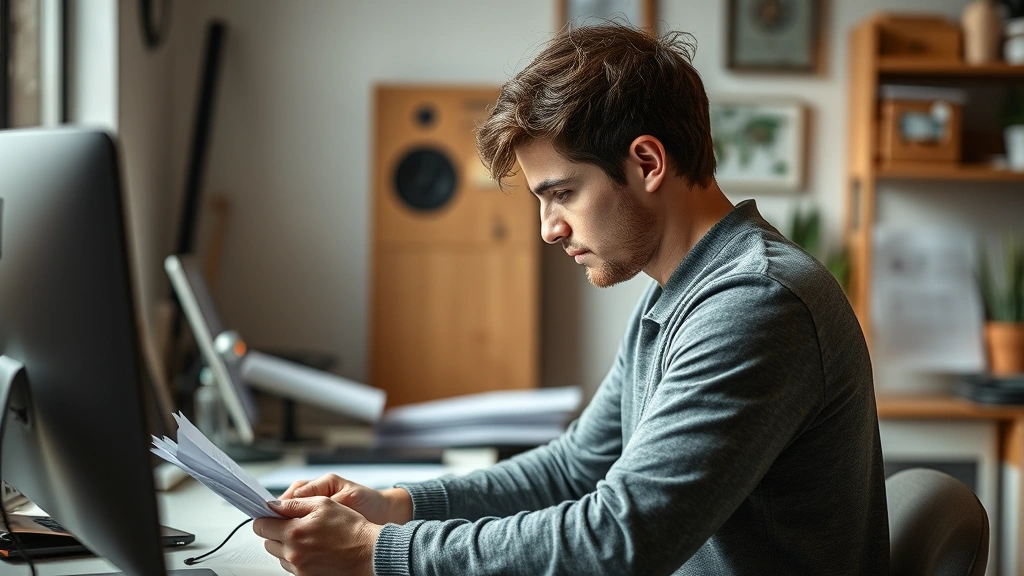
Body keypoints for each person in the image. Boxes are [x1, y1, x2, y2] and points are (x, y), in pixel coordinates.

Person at [253, 22, 889, 575]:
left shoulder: (754, 302)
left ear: (646, 162)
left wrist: (380, 554)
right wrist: (396, 507)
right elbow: (576, 468)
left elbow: (619, 540)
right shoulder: (681, 292)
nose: (548, 229)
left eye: (561, 194)